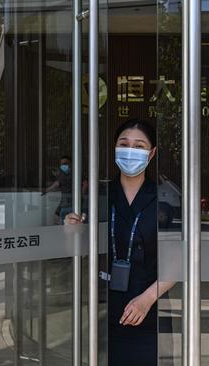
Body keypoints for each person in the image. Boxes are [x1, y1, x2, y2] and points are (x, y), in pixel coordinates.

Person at [65, 119, 175, 366]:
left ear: (152, 153)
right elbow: (79, 250)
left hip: (149, 306)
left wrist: (146, 299)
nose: (130, 151)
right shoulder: (98, 196)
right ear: (114, 148)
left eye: (139, 146)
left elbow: (178, 260)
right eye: (124, 144)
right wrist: (70, 230)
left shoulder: (164, 199)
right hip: (104, 307)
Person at [44, 155, 74, 223]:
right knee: (60, 220)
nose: (63, 165)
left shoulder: (76, 173)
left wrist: (82, 197)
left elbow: (85, 183)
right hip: (64, 202)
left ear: (71, 164)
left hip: (74, 203)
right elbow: (57, 184)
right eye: (62, 164)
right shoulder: (62, 174)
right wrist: (46, 191)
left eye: (65, 163)